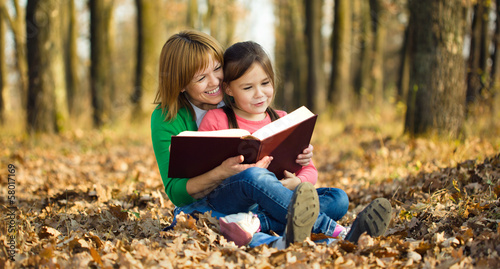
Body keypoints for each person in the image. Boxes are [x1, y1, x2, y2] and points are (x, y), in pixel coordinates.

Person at [151, 30, 320, 247]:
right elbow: (177, 192)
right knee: (253, 179)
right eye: (201, 78)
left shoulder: (238, 98)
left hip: (259, 199)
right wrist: (222, 172)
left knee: (336, 199)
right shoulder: (167, 118)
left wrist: (299, 154)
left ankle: (253, 226)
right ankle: (328, 228)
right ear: (181, 84)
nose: (215, 82)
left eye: (217, 69)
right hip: (211, 203)